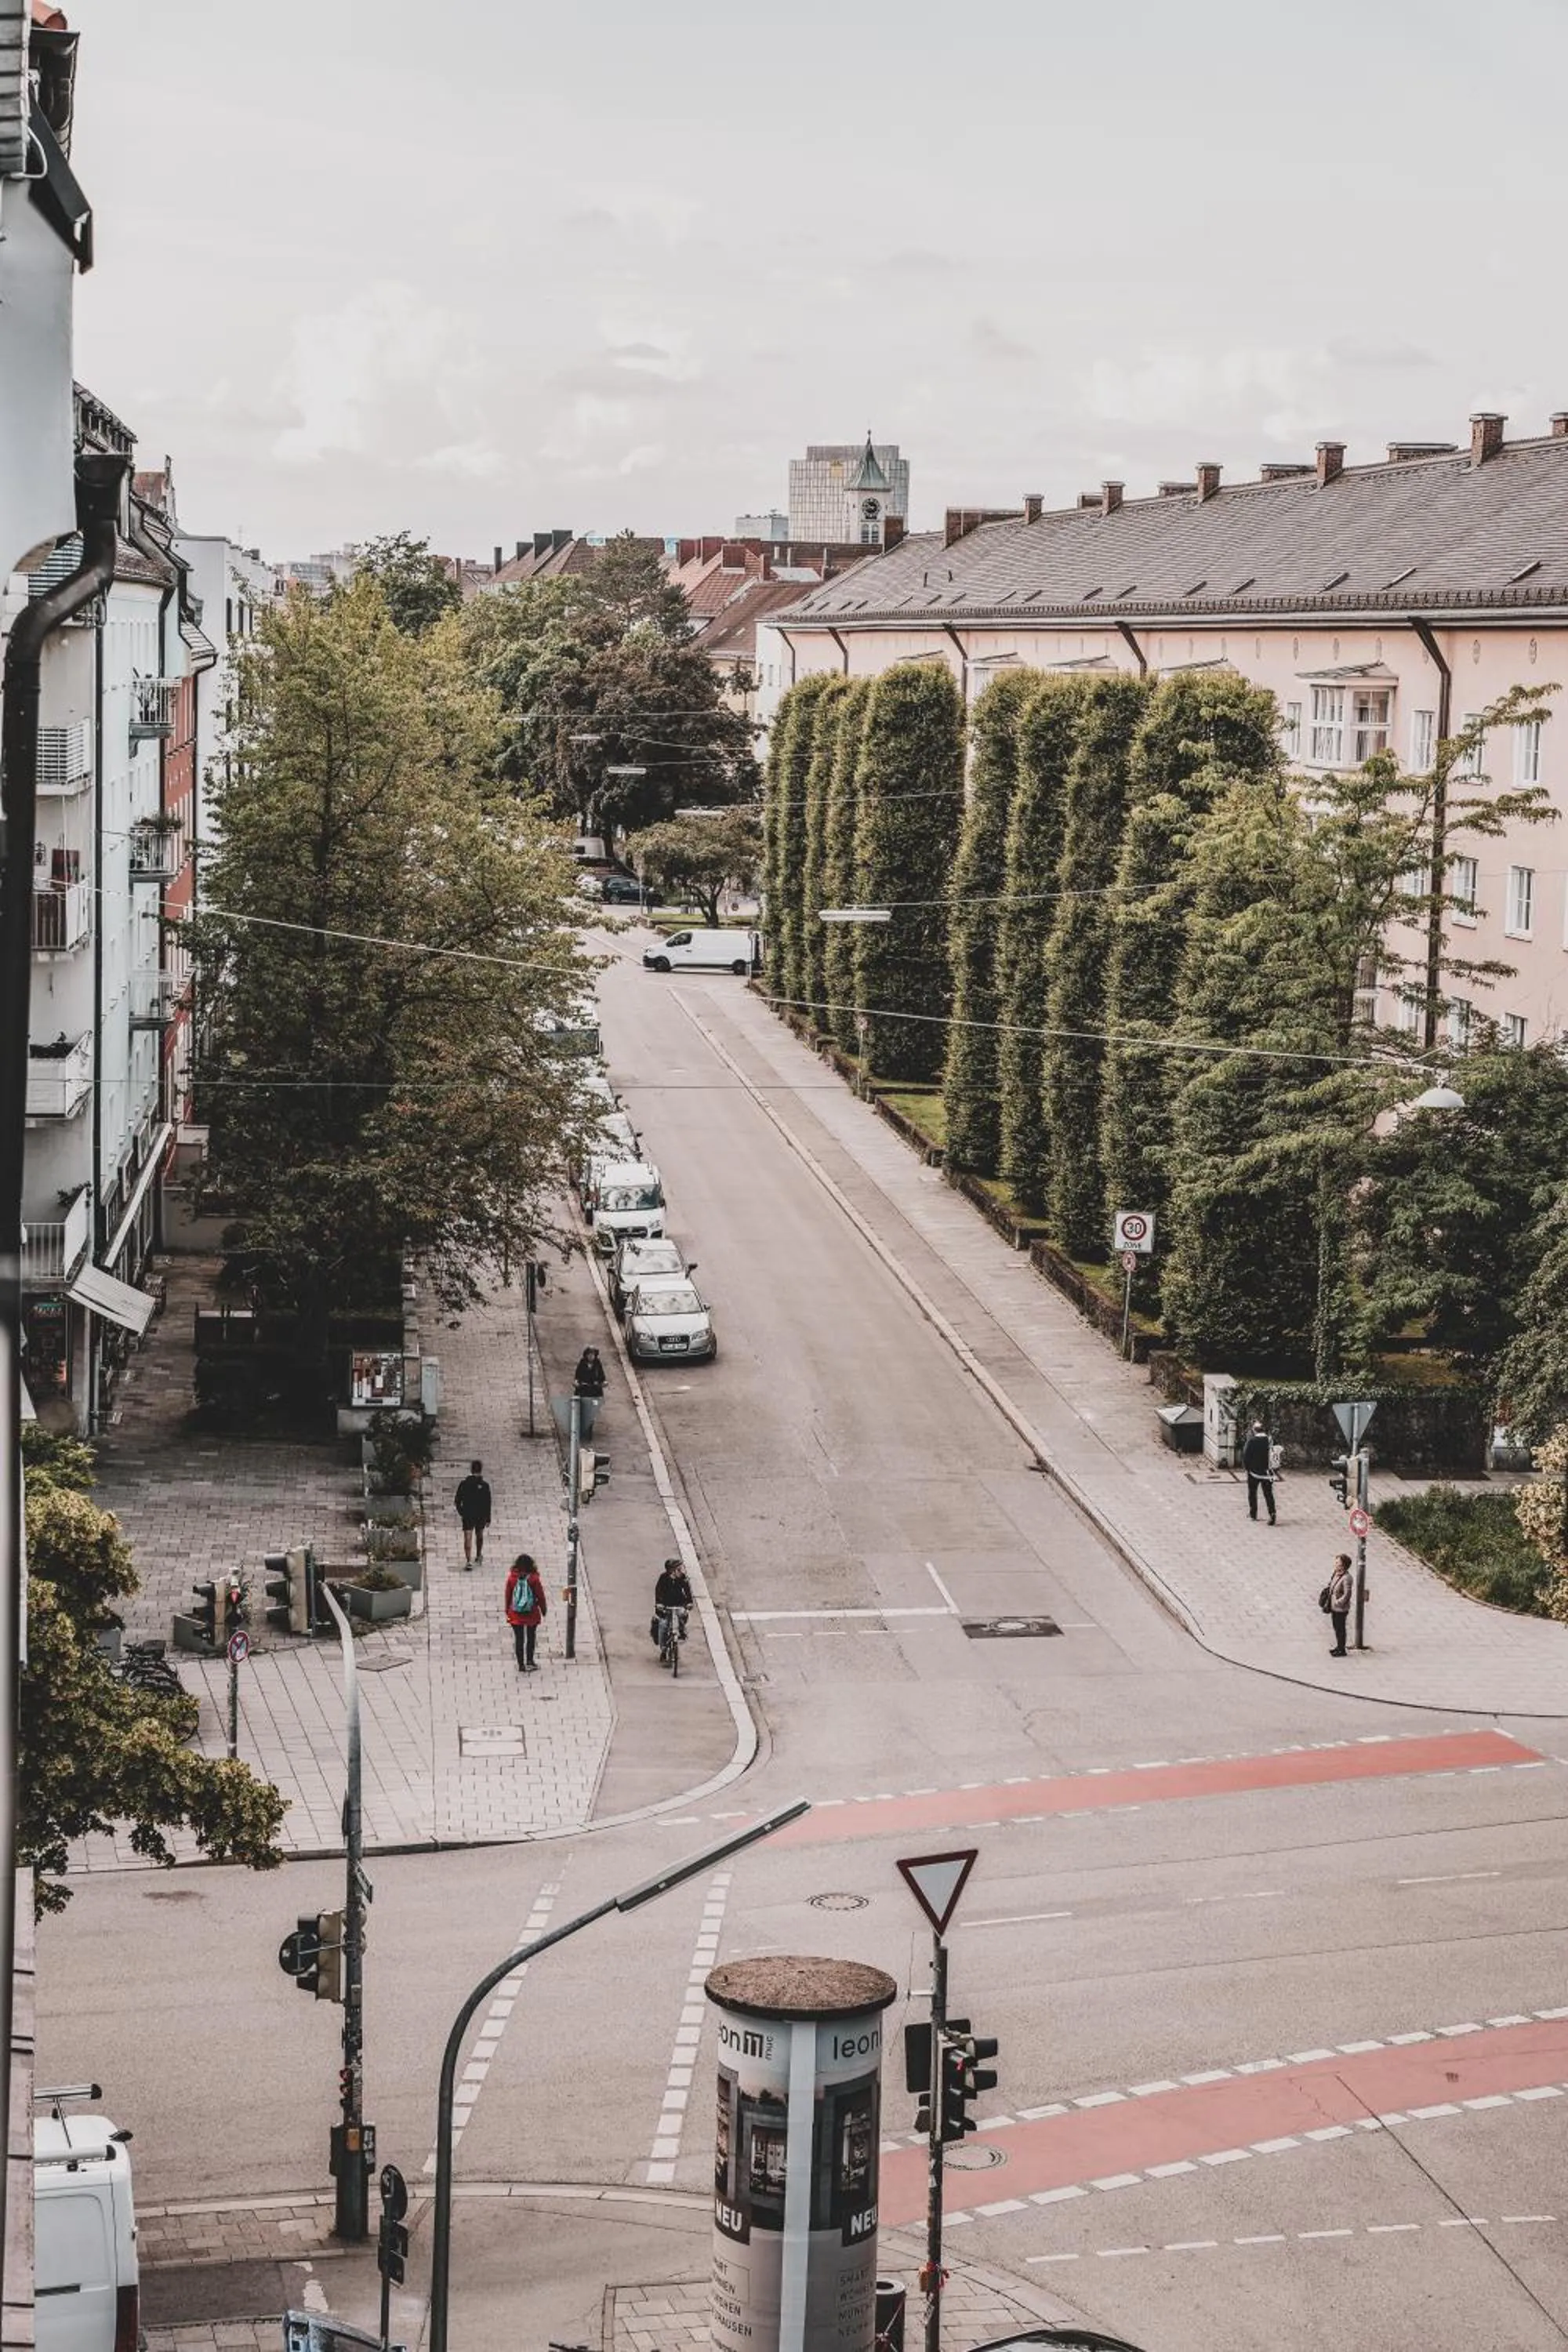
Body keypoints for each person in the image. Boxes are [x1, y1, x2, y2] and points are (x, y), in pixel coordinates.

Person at [505, 1552, 547, 1671]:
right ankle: (530, 1661)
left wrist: (508, 1610)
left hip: (515, 1613)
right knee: (531, 1637)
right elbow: (540, 1596)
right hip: (531, 1613)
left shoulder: (512, 1578)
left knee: (519, 1639)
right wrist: (543, 1609)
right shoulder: (534, 1579)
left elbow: (508, 1596)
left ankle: (521, 1665)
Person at [453, 1459, 492, 1566]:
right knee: (479, 1535)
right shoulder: (485, 1485)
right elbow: (488, 1502)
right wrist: (488, 1517)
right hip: (481, 1514)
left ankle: (468, 1561)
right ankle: (479, 1555)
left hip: (468, 1514)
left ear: (471, 1470)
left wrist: (462, 1512)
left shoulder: (464, 1484)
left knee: (468, 1536)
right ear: (481, 1470)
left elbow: (457, 1500)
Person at [652, 1556, 693, 1654]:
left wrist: (689, 1602)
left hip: (679, 1604)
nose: (681, 1571)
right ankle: (663, 1648)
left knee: (683, 1615)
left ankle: (682, 1630)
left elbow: (687, 1591)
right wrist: (659, 1604)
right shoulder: (663, 1578)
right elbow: (658, 1591)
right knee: (663, 1625)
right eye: (678, 1569)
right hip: (666, 1606)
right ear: (672, 1571)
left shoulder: (682, 1578)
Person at [1241, 1420, 1276, 1526]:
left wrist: (1247, 1468)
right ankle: (1272, 1513)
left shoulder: (1252, 1441)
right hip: (1267, 1472)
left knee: (1252, 1492)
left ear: (1254, 1430)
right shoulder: (1269, 1440)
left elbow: (1246, 1456)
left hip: (1254, 1472)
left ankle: (1253, 1513)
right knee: (1268, 1494)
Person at [573, 1345, 607, 1438]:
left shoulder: (598, 1364)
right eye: (589, 1354)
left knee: (593, 1409)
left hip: (594, 1391)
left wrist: (603, 1383)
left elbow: (602, 1377)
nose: (591, 1356)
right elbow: (577, 1376)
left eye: (593, 1355)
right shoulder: (582, 1363)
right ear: (586, 1355)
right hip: (584, 1390)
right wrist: (577, 1383)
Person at [1327, 1552, 1354, 1657]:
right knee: (1336, 1628)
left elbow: (1347, 1594)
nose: (1335, 1564)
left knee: (1340, 1629)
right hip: (1334, 1607)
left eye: (1337, 1562)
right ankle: (1338, 1647)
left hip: (1341, 1609)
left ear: (1343, 1565)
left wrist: (1338, 1603)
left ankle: (1342, 1650)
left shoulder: (1347, 1578)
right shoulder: (1336, 1573)